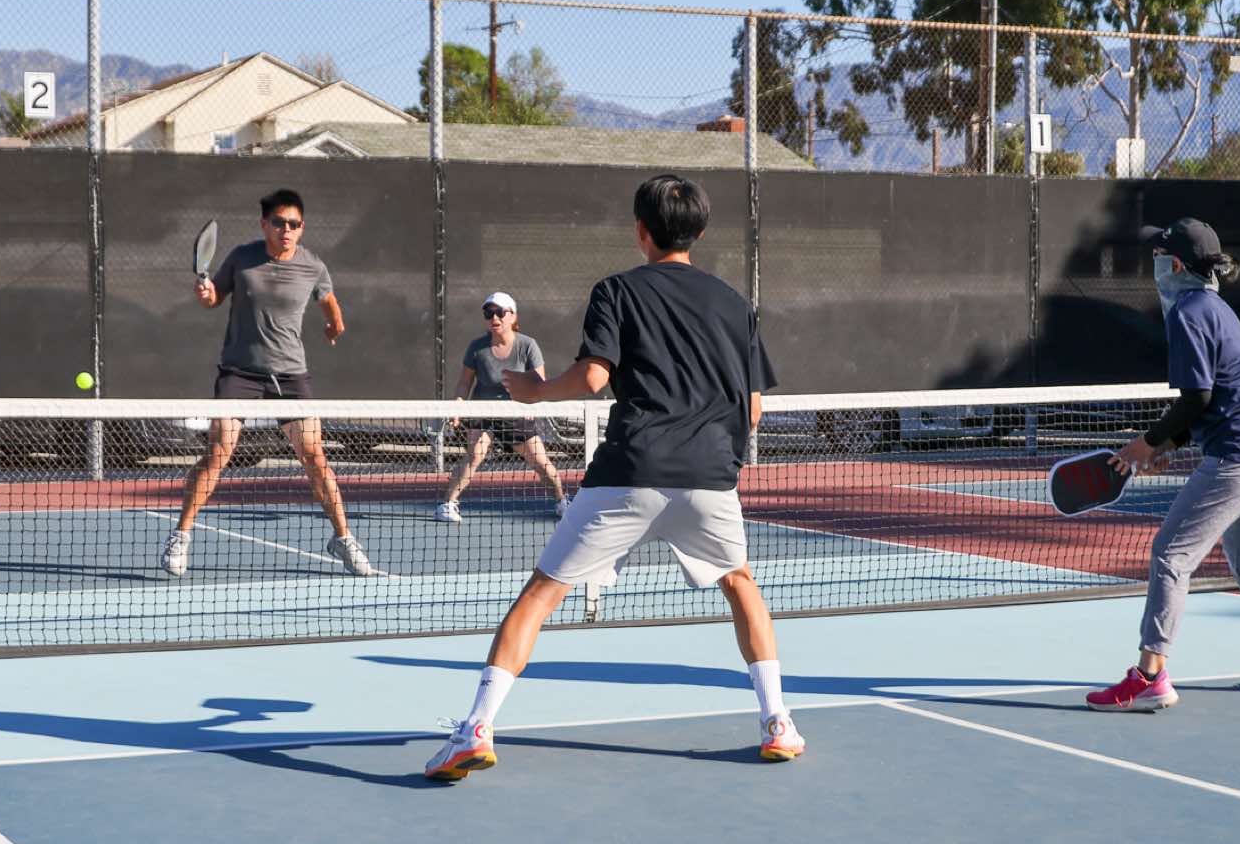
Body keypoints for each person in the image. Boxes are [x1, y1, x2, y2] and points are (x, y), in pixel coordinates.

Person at [423, 174, 803, 780]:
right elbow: (752, 410)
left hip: (629, 471)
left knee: (542, 594)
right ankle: (778, 721)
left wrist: (537, 393)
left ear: (641, 231)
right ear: (700, 232)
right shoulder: (737, 304)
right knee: (740, 585)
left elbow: (595, 378)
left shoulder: (617, 291)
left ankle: (475, 730)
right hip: (710, 478)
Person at [1087, 218, 1240, 711]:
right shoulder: (1216, 306)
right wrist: (1169, 443)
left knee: (1171, 555)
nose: (1151, 264)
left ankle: (1150, 677)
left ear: (1174, 265)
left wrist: (1148, 443)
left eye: (1157, 257)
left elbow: (1197, 398)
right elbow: (1220, 399)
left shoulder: (1188, 312)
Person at [160, 189, 378, 579]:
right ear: (265, 225)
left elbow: (329, 302)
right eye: (279, 222)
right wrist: (206, 293)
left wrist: (334, 325)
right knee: (219, 452)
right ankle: (181, 535)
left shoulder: (313, 266)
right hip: (240, 373)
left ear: (302, 228)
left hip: (291, 376)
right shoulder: (241, 258)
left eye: (294, 224)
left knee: (315, 457)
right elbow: (213, 299)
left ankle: (343, 538)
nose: (286, 230)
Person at [434, 291, 568, 522]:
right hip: (483, 413)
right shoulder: (477, 348)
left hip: (517, 413)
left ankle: (562, 501)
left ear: (513, 316)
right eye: (489, 313)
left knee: (540, 461)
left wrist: (530, 407)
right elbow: (464, 383)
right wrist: (458, 407)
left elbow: (539, 382)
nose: (494, 318)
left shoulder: (527, 345)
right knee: (475, 454)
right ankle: (447, 504)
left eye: (499, 312)